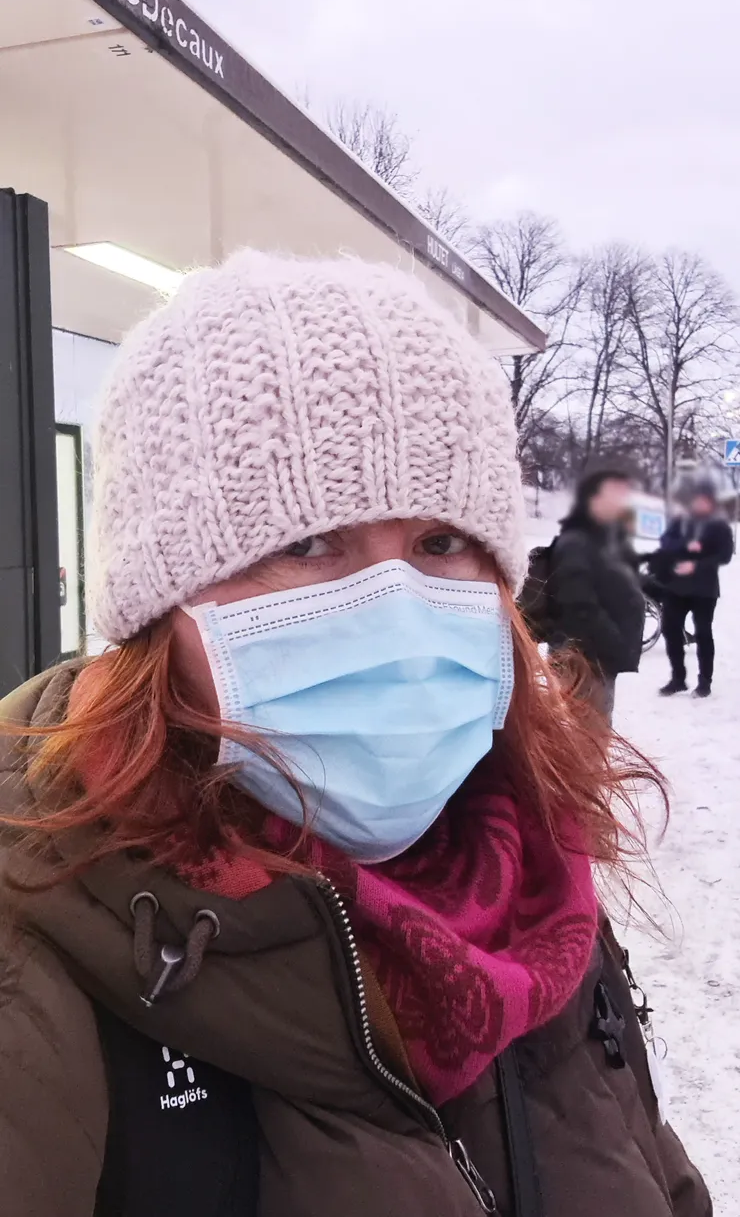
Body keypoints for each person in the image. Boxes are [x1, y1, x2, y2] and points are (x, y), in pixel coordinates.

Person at [0, 252, 709, 1217]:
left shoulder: (541, 895)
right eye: (307, 542)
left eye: (439, 543)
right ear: (158, 614)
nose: (398, 606)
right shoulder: (33, 959)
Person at [547, 469, 646, 721]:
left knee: (595, 728)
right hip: (582, 658)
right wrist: (614, 643)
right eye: (615, 496)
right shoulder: (576, 542)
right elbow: (577, 603)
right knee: (586, 734)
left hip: (598, 658)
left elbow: (616, 581)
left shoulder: (604, 540)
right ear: (592, 499)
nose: (622, 504)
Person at [657, 479, 733, 698]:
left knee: (703, 633)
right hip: (677, 586)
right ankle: (678, 678)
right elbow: (665, 542)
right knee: (670, 629)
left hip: (704, 589)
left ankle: (704, 682)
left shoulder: (719, 525)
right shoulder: (682, 520)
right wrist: (684, 546)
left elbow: (725, 555)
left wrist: (697, 564)